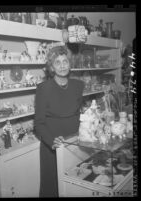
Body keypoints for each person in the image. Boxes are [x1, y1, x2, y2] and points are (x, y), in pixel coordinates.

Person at [35, 46, 84, 197]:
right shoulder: (43, 88)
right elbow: (38, 123)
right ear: (51, 66)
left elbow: (78, 114)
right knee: (53, 189)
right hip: (53, 147)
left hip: (75, 145)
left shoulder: (78, 85)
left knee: (75, 186)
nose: (62, 65)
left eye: (65, 61)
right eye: (57, 62)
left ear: (70, 64)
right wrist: (52, 141)